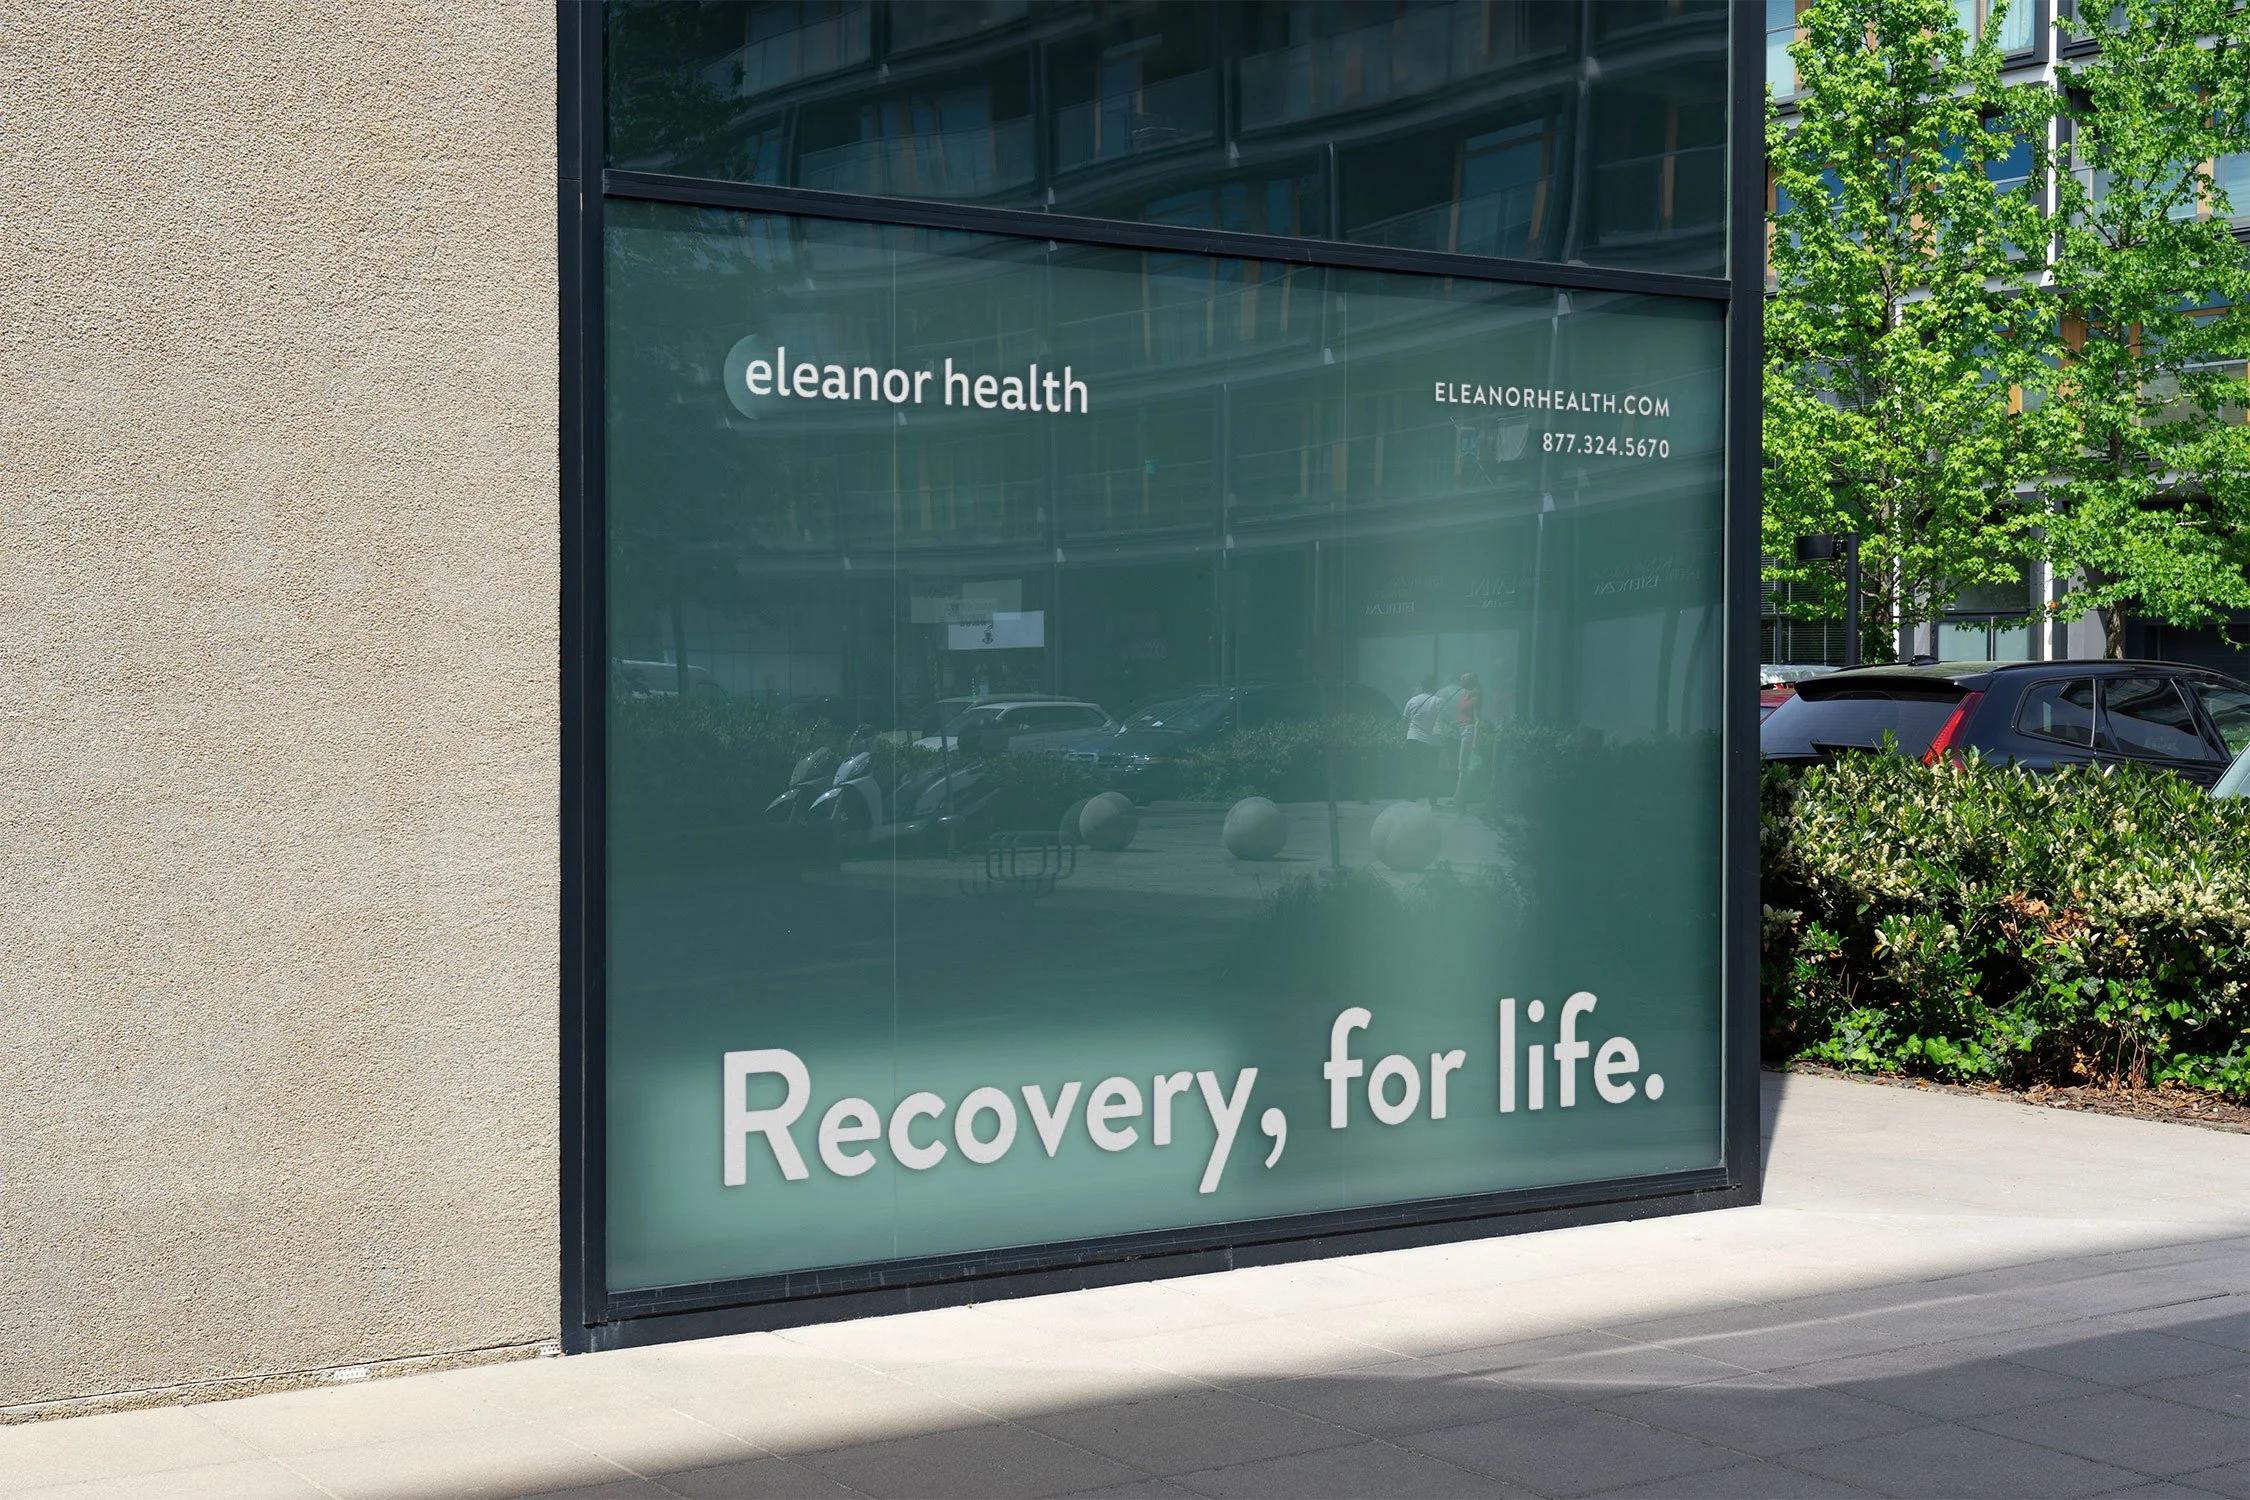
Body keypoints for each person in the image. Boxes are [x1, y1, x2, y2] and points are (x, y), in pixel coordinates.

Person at [1401, 675, 1445, 804]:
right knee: (1431, 772)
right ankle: (1432, 800)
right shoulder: (1438, 701)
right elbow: (1442, 719)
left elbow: (1404, 722)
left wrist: (1404, 738)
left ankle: (1411, 797)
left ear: (1422, 686)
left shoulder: (1412, 700)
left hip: (1412, 738)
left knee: (1413, 769)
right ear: (1434, 687)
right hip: (1429, 742)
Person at [1452, 671, 1481, 807]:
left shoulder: (1475, 697)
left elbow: (1478, 720)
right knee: (1459, 766)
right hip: (1459, 730)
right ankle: (1458, 795)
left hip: (1468, 731)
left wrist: (1475, 739)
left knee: (1462, 767)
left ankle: (1459, 798)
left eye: (1465, 679)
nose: (1462, 680)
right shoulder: (1463, 695)